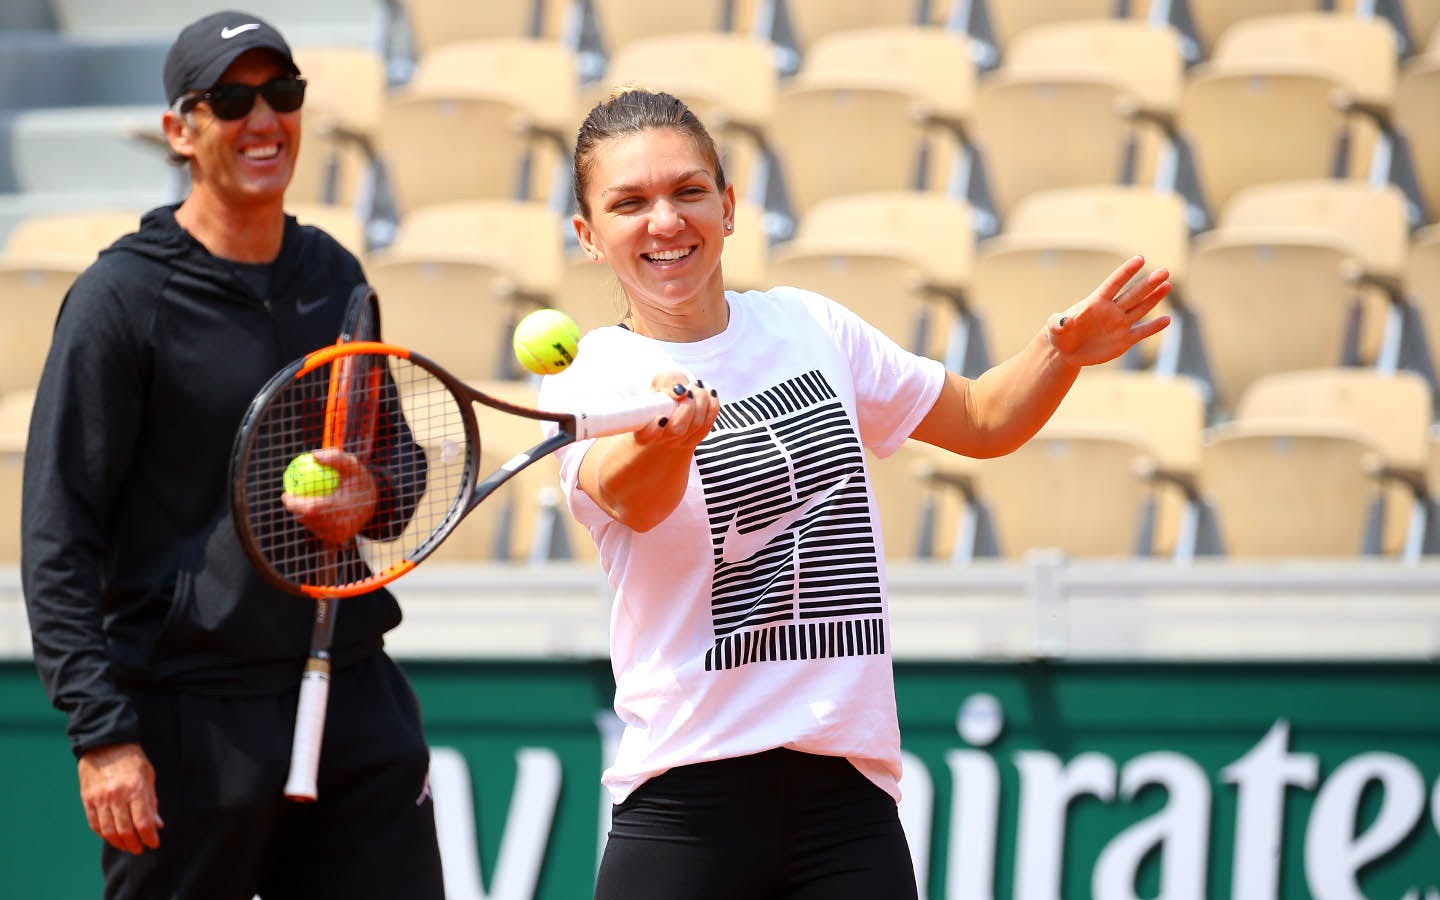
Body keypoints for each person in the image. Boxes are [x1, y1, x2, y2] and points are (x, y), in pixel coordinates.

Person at [537, 87, 1173, 899]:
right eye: (630, 203)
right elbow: (631, 501)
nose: (665, 221)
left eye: (688, 191)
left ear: (728, 207)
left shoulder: (809, 326)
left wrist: (1061, 356)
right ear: (590, 237)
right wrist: (670, 439)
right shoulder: (591, 377)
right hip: (685, 804)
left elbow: (981, 419)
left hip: (847, 806)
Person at [19, 11, 444, 899]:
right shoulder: (118, 299)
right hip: (189, 718)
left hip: (354, 694)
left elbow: (399, 474)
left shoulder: (335, 273)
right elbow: (58, 535)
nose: (265, 120)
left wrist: (370, 491)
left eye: (282, 93)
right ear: (182, 130)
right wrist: (102, 735)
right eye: (233, 99)